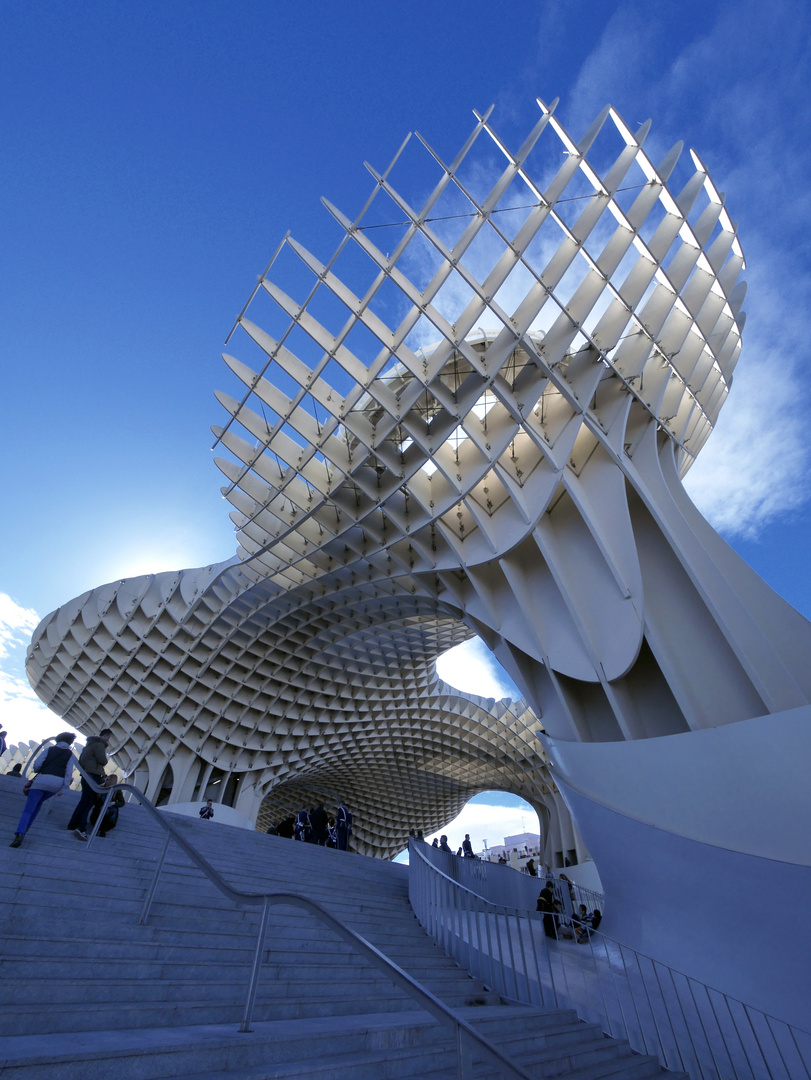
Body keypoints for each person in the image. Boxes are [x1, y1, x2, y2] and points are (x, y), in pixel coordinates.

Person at [10, 733, 77, 848]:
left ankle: (20, 833)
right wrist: (64, 787)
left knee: (28, 810)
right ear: (70, 742)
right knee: (39, 803)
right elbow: (68, 772)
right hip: (55, 785)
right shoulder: (70, 754)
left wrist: (38, 770)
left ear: (58, 740)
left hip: (41, 781)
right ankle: (26, 828)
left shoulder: (49, 749)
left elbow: (37, 764)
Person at [67, 728, 113, 840]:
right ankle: (81, 827)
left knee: (84, 801)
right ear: (105, 736)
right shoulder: (100, 745)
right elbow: (103, 761)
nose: (108, 739)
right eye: (108, 737)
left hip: (86, 775)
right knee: (89, 802)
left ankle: (73, 824)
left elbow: (81, 760)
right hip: (94, 776)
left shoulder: (88, 745)